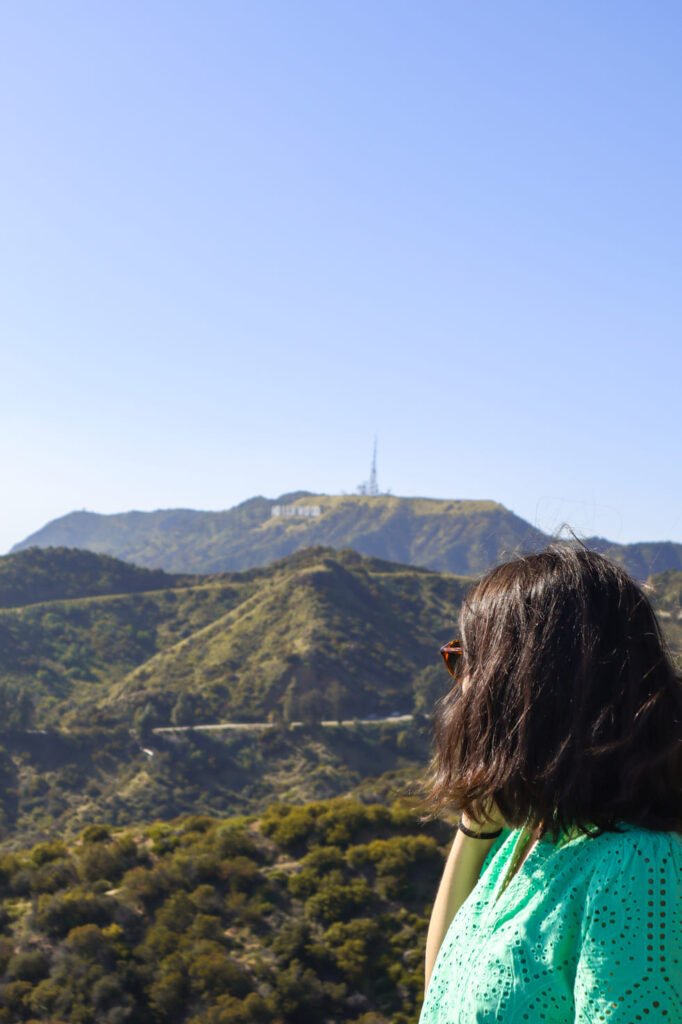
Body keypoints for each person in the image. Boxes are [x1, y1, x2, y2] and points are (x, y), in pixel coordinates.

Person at [417, 542, 682, 1023]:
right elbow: (444, 998)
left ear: (531, 685)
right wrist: (474, 831)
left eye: (467, 661)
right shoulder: (529, 837)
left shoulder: (637, 866)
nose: (462, 687)